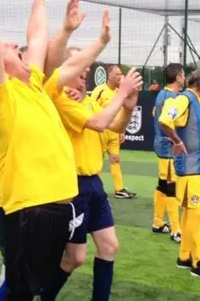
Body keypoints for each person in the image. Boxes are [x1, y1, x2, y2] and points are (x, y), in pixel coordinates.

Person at [0, 0, 100, 299]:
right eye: (11, 48)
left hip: (54, 202)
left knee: (33, 282)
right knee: (20, 284)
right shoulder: (3, 94)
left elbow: (38, 37)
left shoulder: (36, 85)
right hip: (25, 201)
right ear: (1, 63)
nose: (18, 45)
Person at [42, 62, 142, 301]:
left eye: (84, 76)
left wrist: (128, 108)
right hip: (73, 186)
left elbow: (113, 125)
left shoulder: (86, 100)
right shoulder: (62, 100)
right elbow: (98, 123)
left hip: (94, 183)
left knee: (109, 247)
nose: (81, 82)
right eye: (78, 76)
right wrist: (121, 92)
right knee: (75, 258)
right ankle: (44, 297)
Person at [159, 65, 200, 281]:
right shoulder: (185, 99)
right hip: (191, 170)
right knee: (195, 216)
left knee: (191, 214)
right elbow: (165, 120)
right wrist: (177, 140)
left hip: (198, 170)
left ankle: (184, 256)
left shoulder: (197, 101)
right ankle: (197, 262)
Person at [152, 63, 186, 243]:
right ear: (179, 76)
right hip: (168, 146)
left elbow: (154, 114)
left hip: (162, 144)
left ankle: (158, 222)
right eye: (184, 74)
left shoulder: (162, 94)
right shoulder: (171, 97)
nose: (185, 78)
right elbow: (171, 122)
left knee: (163, 184)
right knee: (171, 186)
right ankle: (176, 229)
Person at [92, 65, 137, 199]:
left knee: (115, 159)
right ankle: (96, 189)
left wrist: (122, 130)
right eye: (117, 74)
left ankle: (119, 189)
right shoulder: (99, 90)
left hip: (115, 132)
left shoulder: (120, 92)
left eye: (121, 74)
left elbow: (123, 113)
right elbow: (89, 108)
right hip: (100, 131)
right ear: (109, 75)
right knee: (97, 160)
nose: (120, 77)